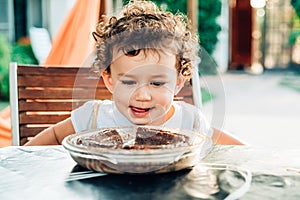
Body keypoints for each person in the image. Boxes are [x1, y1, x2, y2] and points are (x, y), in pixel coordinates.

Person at [25, 0, 242, 147]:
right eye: (128, 82)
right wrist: (18, 157)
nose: (143, 96)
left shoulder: (189, 121)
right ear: (109, 81)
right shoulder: (92, 117)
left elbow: (232, 148)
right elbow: (54, 136)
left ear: (177, 83)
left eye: (157, 84)